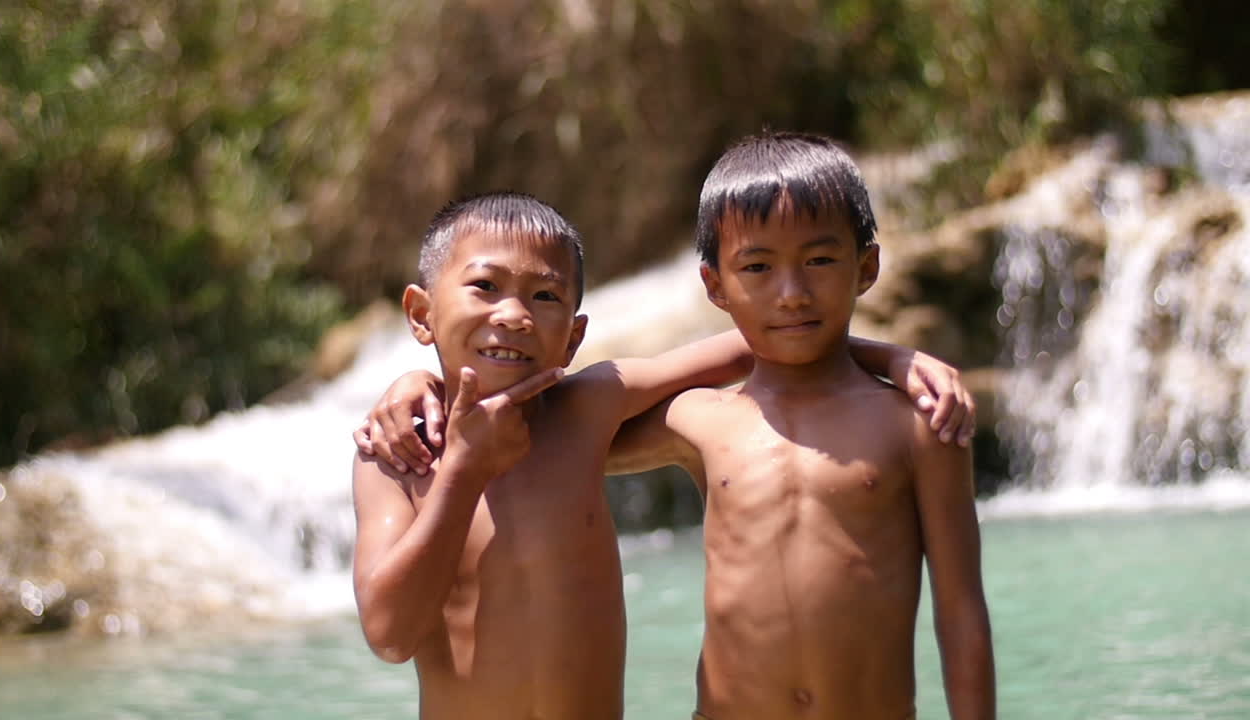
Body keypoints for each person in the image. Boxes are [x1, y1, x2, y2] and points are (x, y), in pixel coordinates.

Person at [351, 191, 976, 720]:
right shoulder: (400, 457)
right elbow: (389, 635)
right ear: (421, 313)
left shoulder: (588, 409)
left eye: (544, 296)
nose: (513, 314)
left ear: (573, 336)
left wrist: (895, 358)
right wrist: (462, 468)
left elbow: (762, 340)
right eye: (484, 287)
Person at [608, 132, 995, 719]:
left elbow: (962, 612)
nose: (791, 294)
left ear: (866, 268)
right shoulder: (700, 420)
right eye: (757, 267)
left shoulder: (917, 425)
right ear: (716, 286)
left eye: (818, 260)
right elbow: (558, 435)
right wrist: (417, 388)